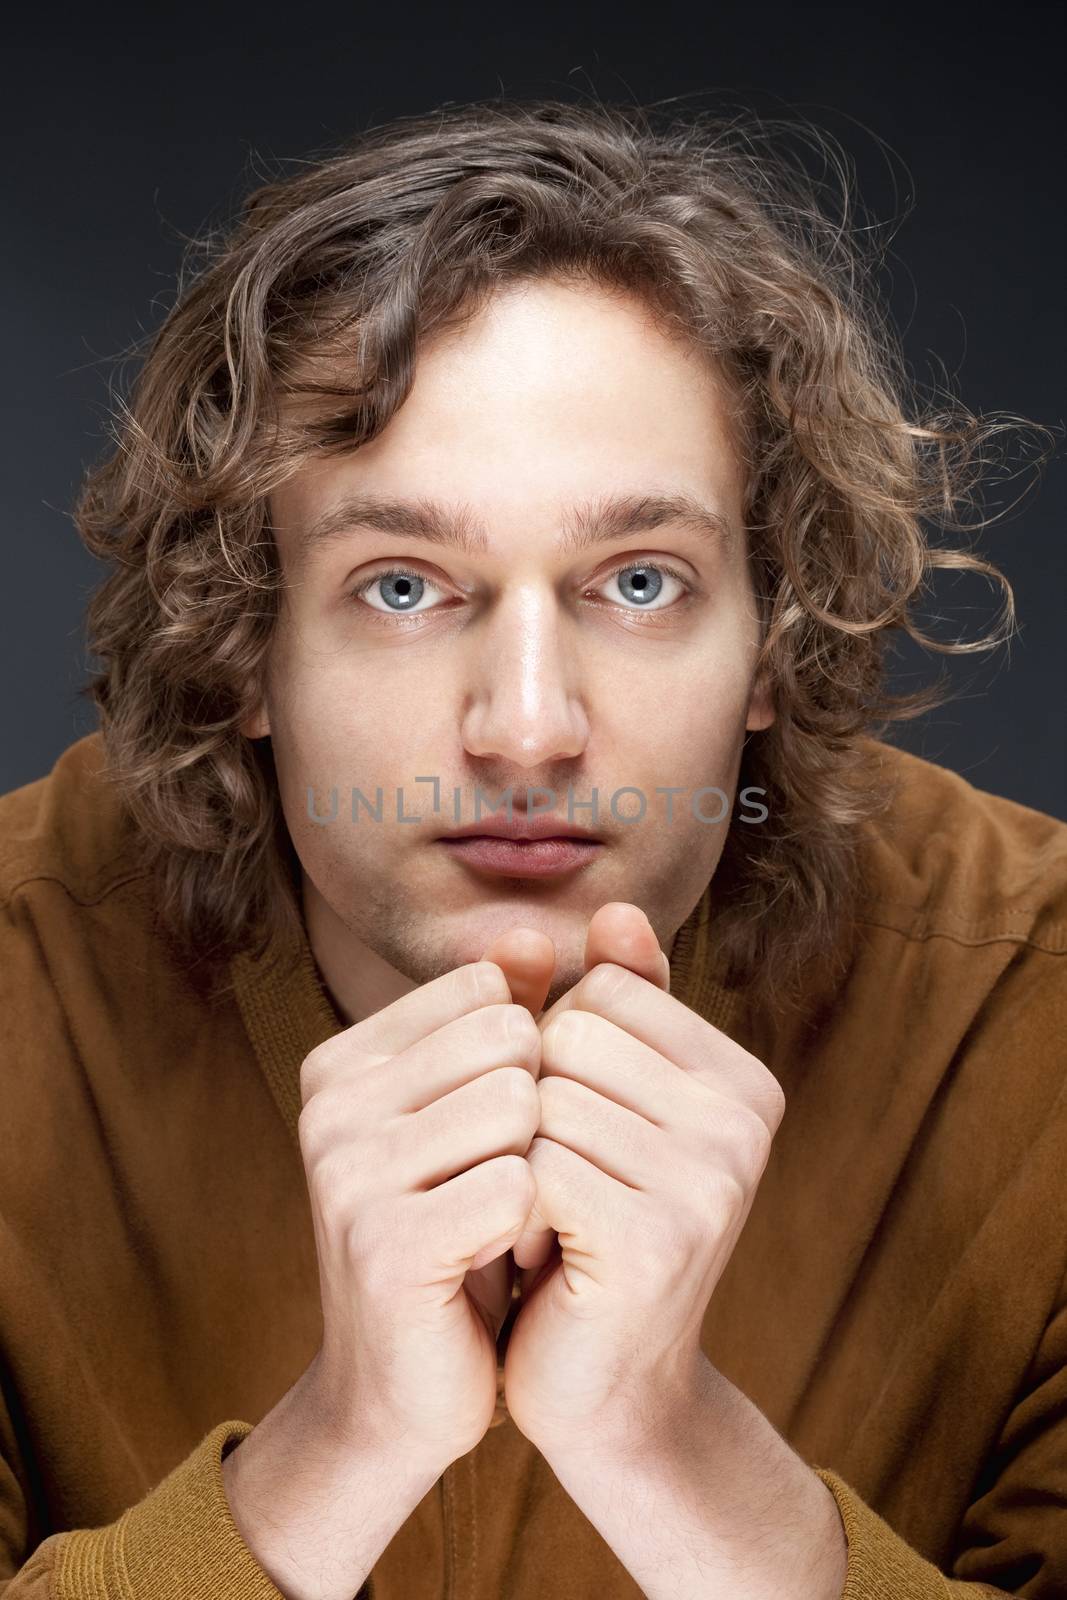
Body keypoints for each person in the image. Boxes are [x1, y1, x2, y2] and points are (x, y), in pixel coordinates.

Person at [1, 96, 1063, 1600]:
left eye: (638, 581)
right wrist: (339, 1449)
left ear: (774, 629)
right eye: (401, 586)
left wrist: (679, 1456)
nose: (526, 729)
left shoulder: (1043, 1021)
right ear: (244, 645)